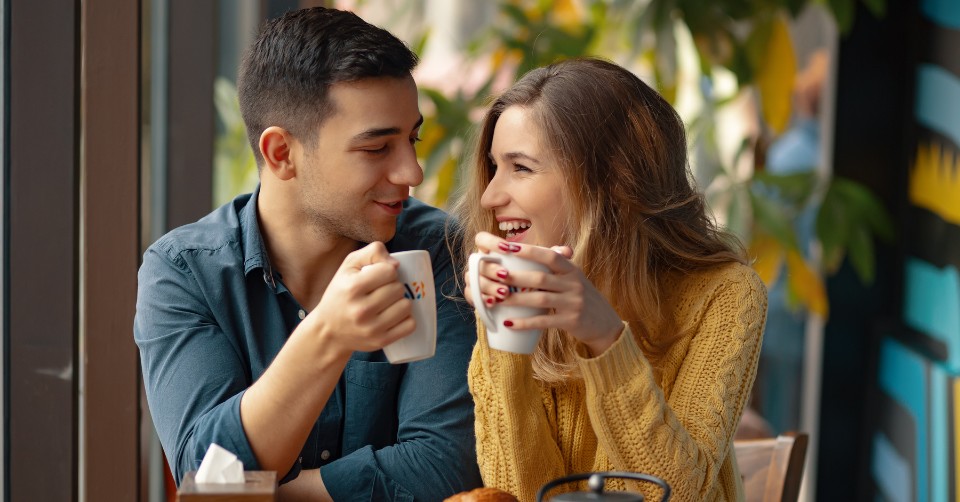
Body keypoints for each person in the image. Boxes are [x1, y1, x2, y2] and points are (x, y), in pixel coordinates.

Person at [134, 7, 481, 501]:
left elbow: (445, 468)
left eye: (412, 138)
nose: (412, 171)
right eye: (378, 148)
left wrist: (269, 496)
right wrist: (328, 334)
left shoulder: (436, 247)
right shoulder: (185, 273)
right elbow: (206, 475)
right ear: (281, 154)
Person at [453, 57, 768, 501]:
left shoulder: (726, 293)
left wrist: (604, 338)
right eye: (494, 167)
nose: (490, 194)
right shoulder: (517, 293)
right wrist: (505, 344)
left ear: (612, 181)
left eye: (521, 167)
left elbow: (671, 494)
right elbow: (521, 494)